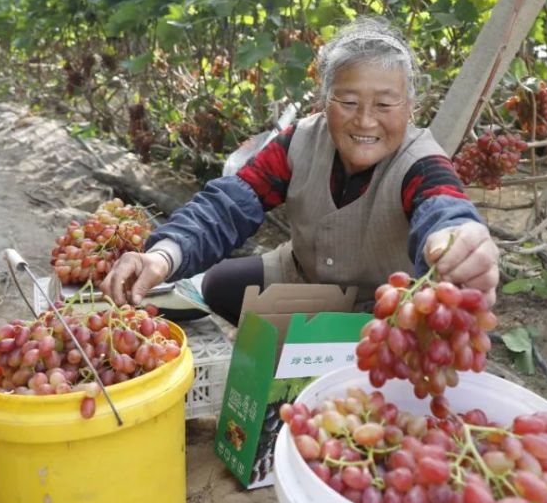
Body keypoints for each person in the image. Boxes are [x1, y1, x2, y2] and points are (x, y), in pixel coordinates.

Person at [101, 17, 499, 323]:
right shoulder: (300, 141)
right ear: (324, 101)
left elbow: (444, 208)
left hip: (380, 306)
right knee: (220, 286)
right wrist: (163, 256)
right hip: (300, 274)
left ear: (411, 108)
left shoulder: (421, 163)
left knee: (370, 353)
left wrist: (456, 236)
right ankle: (304, 330)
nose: (364, 121)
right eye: (347, 101)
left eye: (384, 105)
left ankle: (327, 343)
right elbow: (230, 203)